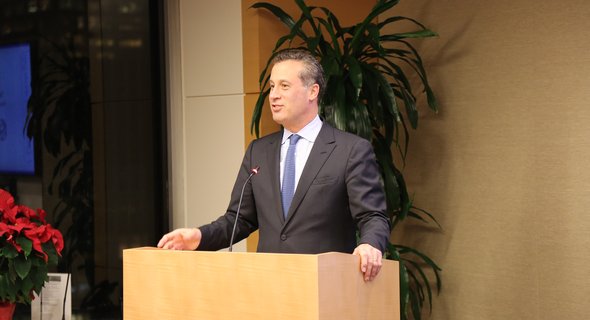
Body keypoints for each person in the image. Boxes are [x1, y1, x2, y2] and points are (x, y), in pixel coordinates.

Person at [158, 48, 391, 281]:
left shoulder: (349, 150)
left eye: (284, 86)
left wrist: (370, 245)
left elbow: (372, 216)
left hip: (326, 285)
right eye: (271, 87)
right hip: (269, 285)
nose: (273, 95)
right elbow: (238, 219)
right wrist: (197, 236)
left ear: (313, 91)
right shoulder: (258, 151)